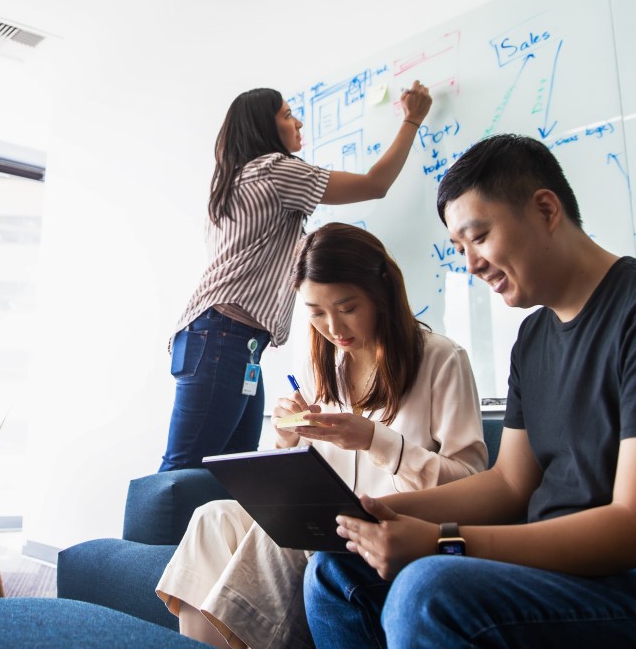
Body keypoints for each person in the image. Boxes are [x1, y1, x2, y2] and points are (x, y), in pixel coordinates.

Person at [303, 135, 636, 648]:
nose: (471, 264)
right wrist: (384, 513)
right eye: (460, 250)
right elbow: (509, 484)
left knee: (428, 589)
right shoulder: (532, 339)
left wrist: (444, 542)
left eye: (479, 237)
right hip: (571, 582)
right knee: (336, 567)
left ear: (546, 209)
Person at [157, 223, 486, 649]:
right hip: (324, 524)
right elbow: (299, 474)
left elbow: (471, 483)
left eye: (347, 307)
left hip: (388, 528)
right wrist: (285, 437)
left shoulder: (441, 360)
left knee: (288, 533)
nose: (333, 327)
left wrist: (375, 439)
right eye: (316, 312)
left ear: (380, 293)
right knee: (212, 518)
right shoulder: (323, 367)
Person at [160, 82, 434, 471]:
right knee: (185, 470)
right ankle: (154, 535)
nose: (299, 122)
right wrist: (412, 119)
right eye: (288, 115)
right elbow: (375, 184)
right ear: (264, 129)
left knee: (229, 470)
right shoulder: (274, 170)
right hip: (223, 337)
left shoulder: (232, 183)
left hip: (226, 339)